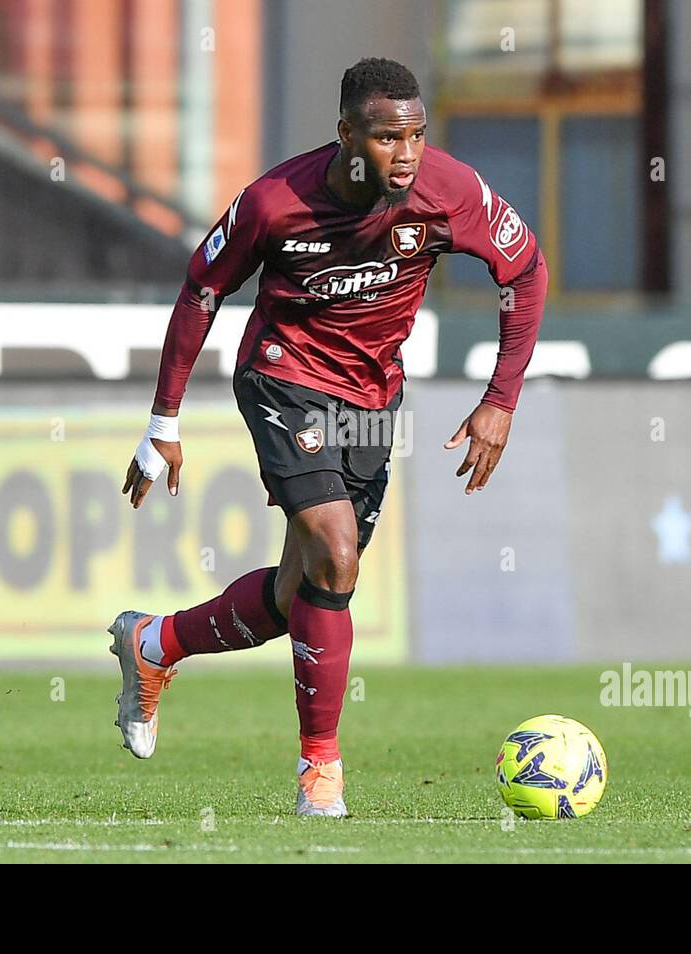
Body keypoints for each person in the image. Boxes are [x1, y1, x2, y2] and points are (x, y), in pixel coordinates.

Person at [111, 57, 547, 816]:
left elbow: (527, 270)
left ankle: (157, 644)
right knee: (336, 550)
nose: (405, 154)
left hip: (373, 398)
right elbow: (203, 289)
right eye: (385, 138)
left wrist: (499, 400)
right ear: (346, 134)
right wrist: (163, 421)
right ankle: (322, 772)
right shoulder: (275, 202)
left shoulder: (450, 191)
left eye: (415, 135)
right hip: (283, 379)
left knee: (302, 596)